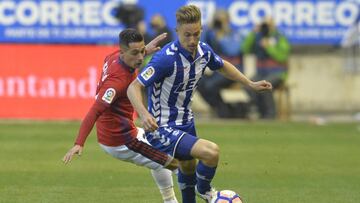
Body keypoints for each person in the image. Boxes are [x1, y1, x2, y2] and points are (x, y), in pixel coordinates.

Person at [127, 5, 272, 203]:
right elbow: (133, 87)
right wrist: (143, 114)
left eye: (196, 34)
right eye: (187, 35)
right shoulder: (165, 59)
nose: (192, 40)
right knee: (211, 152)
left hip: (187, 122)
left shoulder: (203, 51)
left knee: (188, 167)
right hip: (162, 127)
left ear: (201, 30)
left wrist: (249, 83)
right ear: (177, 31)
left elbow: (222, 65)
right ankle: (205, 191)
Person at [62, 29, 179, 203]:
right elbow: (94, 111)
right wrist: (79, 143)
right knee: (177, 164)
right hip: (122, 140)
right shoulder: (117, 82)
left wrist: (145, 49)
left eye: (141, 51)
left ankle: (170, 201)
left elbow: (133, 54)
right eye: (135, 53)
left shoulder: (114, 56)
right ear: (123, 52)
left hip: (122, 131)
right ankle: (211, 195)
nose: (140, 58)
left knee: (163, 158)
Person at [197, 9, 246, 118]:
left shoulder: (235, 34)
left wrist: (222, 37)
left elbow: (232, 50)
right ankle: (222, 108)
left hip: (234, 70)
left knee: (211, 86)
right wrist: (207, 30)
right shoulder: (212, 33)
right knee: (198, 82)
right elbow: (201, 46)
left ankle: (224, 111)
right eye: (217, 21)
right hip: (218, 71)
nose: (219, 24)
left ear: (228, 21)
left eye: (221, 21)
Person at [242, 17, 291, 119]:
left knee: (265, 85)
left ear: (273, 26)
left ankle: (270, 114)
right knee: (247, 85)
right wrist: (253, 33)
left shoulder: (280, 37)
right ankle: (261, 111)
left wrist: (268, 47)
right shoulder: (257, 36)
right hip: (261, 72)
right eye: (264, 25)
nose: (266, 28)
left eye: (268, 25)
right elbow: (245, 49)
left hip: (278, 73)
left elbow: (282, 56)